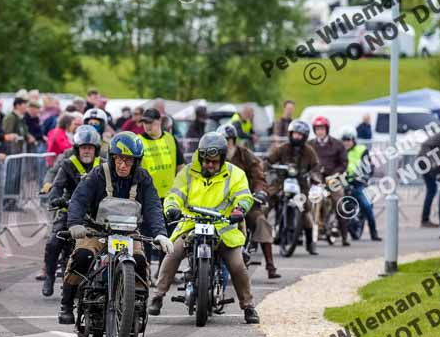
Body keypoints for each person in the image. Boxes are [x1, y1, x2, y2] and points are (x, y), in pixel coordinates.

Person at [58, 131, 173, 324]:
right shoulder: (98, 174)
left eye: (129, 160)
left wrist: (161, 234)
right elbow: (79, 198)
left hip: (129, 233)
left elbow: (153, 206)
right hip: (96, 230)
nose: (123, 165)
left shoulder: (143, 178)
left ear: (137, 161)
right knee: (82, 257)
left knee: (139, 262)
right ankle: (67, 304)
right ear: (112, 157)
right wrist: (75, 224)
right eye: (119, 159)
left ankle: (136, 311)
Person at [148, 132, 258, 323]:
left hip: (223, 227)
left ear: (222, 159)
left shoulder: (235, 174)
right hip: (191, 224)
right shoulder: (187, 173)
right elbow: (174, 194)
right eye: (206, 161)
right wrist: (172, 208)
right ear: (200, 157)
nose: (210, 165)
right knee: (172, 254)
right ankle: (157, 296)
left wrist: (240, 209)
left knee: (238, 265)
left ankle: (248, 307)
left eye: (214, 162)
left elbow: (244, 196)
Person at [42, 125, 101, 297]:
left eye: (90, 148)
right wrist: (55, 198)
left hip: (97, 215)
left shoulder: (103, 165)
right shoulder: (68, 165)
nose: (87, 151)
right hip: (69, 211)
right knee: (54, 241)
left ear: (96, 150)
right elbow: (57, 185)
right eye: (83, 148)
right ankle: (50, 277)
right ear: (77, 149)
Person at [218, 124, 280, 279]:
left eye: (228, 140)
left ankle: (270, 265)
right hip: (218, 204)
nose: (225, 143)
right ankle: (195, 268)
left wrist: (259, 192)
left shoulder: (246, 155)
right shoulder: (214, 156)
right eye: (222, 140)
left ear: (233, 140)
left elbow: (258, 176)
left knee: (261, 221)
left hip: (245, 201)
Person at [266, 120, 322, 254]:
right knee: (264, 205)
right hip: (281, 183)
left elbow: (316, 167)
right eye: (295, 134)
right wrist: (266, 166)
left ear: (305, 136)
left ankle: (310, 243)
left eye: (300, 135)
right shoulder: (283, 148)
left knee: (305, 212)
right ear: (290, 134)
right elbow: (269, 160)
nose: (296, 137)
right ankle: (255, 240)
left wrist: (314, 176)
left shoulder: (309, 151)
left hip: (301, 186)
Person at [311, 115, 350, 246]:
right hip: (315, 179)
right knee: (300, 201)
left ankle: (344, 235)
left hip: (333, 179)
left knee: (339, 202)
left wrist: (334, 175)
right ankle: (298, 233)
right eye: (317, 129)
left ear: (327, 129)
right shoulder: (310, 144)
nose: (320, 131)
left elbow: (344, 163)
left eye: (322, 128)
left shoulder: (337, 144)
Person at [341, 127, 382, 241]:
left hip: (357, 182)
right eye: (344, 140)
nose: (346, 143)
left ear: (353, 140)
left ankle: (374, 233)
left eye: (348, 140)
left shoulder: (361, 150)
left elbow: (368, 166)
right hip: (342, 182)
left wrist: (364, 176)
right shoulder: (339, 151)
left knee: (367, 205)